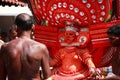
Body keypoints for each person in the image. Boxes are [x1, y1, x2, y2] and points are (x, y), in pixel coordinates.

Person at [0, 13, 52, 80]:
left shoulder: (5, 48)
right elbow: (48, 77)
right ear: (33, 27)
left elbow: (1, 77)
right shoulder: (41, 48)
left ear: (16, 28)